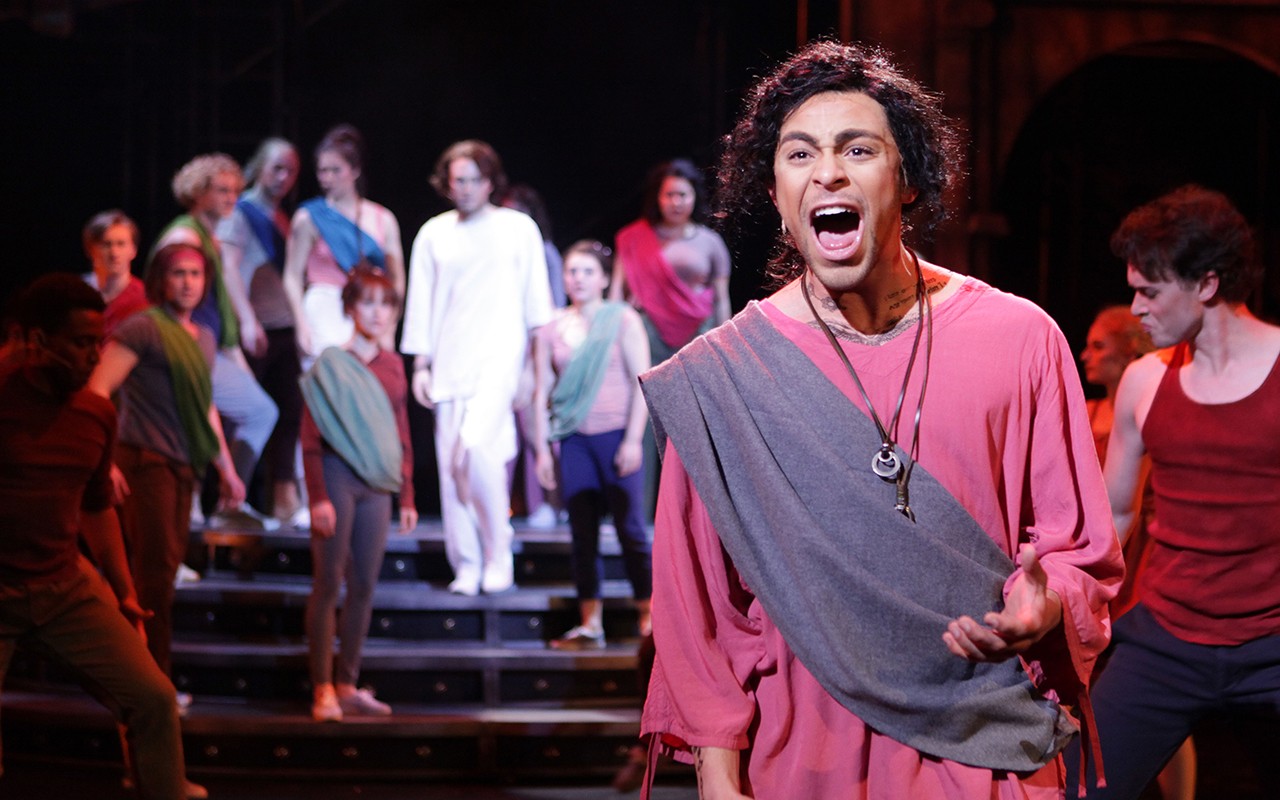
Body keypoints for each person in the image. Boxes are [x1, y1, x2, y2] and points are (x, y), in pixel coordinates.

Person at [637, 41, 1123, 798]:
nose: (826, 171)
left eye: (857, 149)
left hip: (982, 741)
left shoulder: (1021, 338)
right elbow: (698, 607)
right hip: (802, 755)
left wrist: (1050, 600)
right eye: (799, 154)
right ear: (776, 194)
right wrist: (718, 778)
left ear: (908, 184)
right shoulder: (721, 379)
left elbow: (1078, 548)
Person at [1065, 185, 1280, 799]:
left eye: (1150, 291)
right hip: (1167, 641)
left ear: (1207, 285)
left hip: (1272, 644)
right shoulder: (1144, 380)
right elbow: (1118, 510)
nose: (1135, 308)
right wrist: (1062, 593)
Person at [0, 273, 195, 800]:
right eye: (81, 343)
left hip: (63, 588)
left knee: (153, 697)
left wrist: (124, 591)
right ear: (40, 341)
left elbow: (97, 508)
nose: (93, 355)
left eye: (98, 342)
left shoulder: (96, 414)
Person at [400, 139, 554, 596]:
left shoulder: (517, 228)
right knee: (452, 468)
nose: (463, 188)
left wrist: (531, 370)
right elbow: (421, 302)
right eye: (456, 180)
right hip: (449, 362)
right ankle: (467, 563)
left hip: (500, 361)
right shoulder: (434, 232)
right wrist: (420, 365)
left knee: (478, 450)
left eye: (472, 179)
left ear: (489, 181)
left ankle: (497, 550)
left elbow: (536, 309)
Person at [89, 243, 245, 683]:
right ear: (161, 279)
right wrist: (105, 462)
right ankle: (151, 681)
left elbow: (204, 406)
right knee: (153, 578)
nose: (188, 283)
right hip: (145, 463)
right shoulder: (142, 328)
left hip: (182, 468)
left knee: (164, 576)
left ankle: (148, 679)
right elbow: (96, 392)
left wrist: (227, 470)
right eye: (178, 273)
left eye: (195, 275)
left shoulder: (205, 337)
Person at [300, 265, 417, 722]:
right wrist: (316, 496)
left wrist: (407, 494)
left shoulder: (393, 365)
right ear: (349, 307)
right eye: (367, 301)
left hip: (378, 486)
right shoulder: (332, 361)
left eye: (386, 303)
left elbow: (400, 431)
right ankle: (322, 687)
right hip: (336, 476)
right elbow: (310, 435)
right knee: (328, 581)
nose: (377, 312)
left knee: (364, 585)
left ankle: (348, 682)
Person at [531, 240, 652, 649]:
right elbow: (539, 394)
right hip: (573, 438)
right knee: (581, 533)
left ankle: (649, 616)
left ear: (603, 278)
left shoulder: (621, 320)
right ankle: (590, 624)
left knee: (632, 530)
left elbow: (644, 382)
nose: (578, 279)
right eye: (571, 271)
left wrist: (634, 440)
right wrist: (543, 450)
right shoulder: (550, 328)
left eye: (587, 271)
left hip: (617, 435)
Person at [153, 152, 279, 528]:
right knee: (193, 427)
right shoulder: (183, 235)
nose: (231, 198)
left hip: (210, 347)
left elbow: (220, 308)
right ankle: (197, 513)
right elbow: (163, 294)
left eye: (236, 191)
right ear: (197, 192)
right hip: (184, 348)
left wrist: (235, 353)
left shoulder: (211, 238)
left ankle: (229, 498)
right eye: (222, 190)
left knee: (259, 410)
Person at [611, 158, 732, 518]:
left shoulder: (710, 242)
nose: (676, 201)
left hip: (697, 339)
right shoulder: (634, 238)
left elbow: (722, 300)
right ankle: (641, 513)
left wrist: (724, 346)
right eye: (669, 195)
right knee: (643, 423)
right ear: (658, 198)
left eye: (683, 194)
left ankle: (699, 516)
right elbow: (617, 297)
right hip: (646, 337)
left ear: (694, 197)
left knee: (695, 426)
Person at [217, 137, 307, 525]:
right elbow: (228, 267)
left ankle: (283, 499)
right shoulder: (242, 212)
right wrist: (247, 319)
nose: (283, 177)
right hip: (256, 330)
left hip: (284, 328)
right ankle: (229, 498)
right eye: (276, 168)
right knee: (247, 416)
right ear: (259, 167)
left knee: (289, 414)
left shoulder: (282, 218)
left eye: (290, 171)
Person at [283, 124, 404, 361]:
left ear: (355, 170)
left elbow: (397, 279)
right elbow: (292, 276)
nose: (327, 178)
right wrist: (301, 325)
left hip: (369, 308)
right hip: (324, 307)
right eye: (322, 171)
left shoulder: (382, 218)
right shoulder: (309, 217)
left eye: (335, 170)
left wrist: (390, 326)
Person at [82, 210, 149, 335]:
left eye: (121, 244)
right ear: (90, 249)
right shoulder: (77, 293)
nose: (114, 253)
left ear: (133, 250)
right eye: (106, 244)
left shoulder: (145, 301)